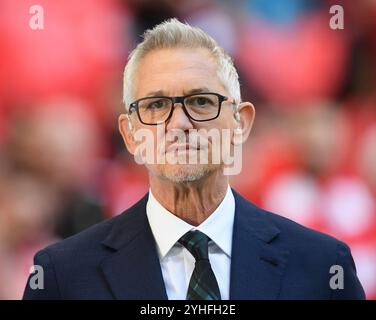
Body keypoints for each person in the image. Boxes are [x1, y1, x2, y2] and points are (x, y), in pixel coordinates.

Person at [23, 18, 365, 300]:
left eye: (201, 101)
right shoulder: (62, 278)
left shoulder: (321, 269)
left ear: (241, 123)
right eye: (156, 105)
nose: (179, 123)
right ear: (130, 135)